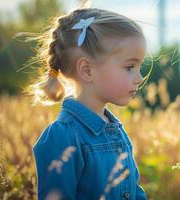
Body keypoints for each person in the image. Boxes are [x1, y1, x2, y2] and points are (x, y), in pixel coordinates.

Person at [25, 7, 149, 200]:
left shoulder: (116, 130)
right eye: (130, 67)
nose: (139, 78)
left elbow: (133, 191)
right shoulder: (62, 136)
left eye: (139, 67)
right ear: (87, 70)